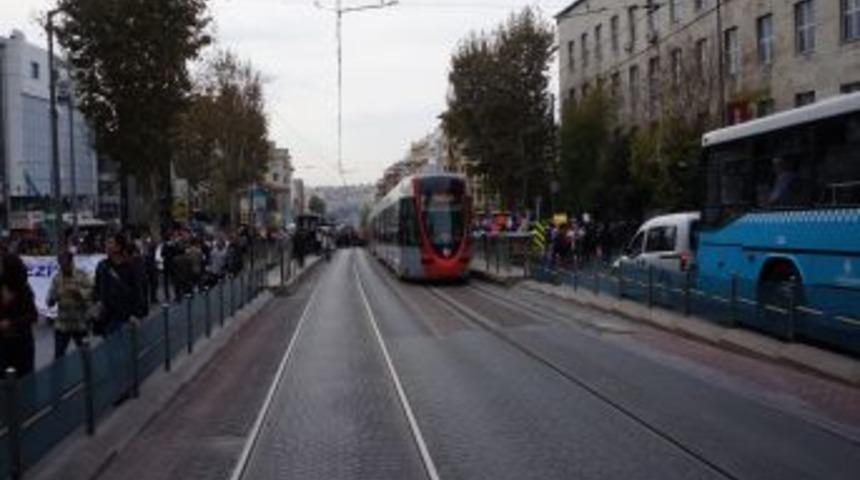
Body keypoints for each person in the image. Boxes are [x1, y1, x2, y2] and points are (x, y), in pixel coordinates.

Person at [92, 234, 147, 336]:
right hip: (107, 318)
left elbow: (138, 291)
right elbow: (96, 288)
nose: (106, 245)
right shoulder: (102, 266)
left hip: (126, 318)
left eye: (110, 242)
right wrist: (97, 302)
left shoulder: (130, 266)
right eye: (107, 242)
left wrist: (136, 314)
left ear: (119, 247)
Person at [46, 251, 93, 358]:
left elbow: (92, 291)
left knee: (85, 355)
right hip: (62, 324)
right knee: (58, 356)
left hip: (80, 322)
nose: (63, 267)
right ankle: (59, 374)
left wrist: (79, 292)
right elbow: (49, 301)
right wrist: (55, 295)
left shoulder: (82, 275)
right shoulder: (57, 278)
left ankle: (88, 373)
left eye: (65, 264)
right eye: (61, 264)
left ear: (71, 262)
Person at [0, 253, 38, 376]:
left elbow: (33, 315)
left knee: (24, 382)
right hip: (3, 345)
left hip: (21, 344)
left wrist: (11, 323)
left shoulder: (23, 289)